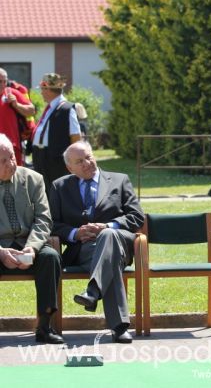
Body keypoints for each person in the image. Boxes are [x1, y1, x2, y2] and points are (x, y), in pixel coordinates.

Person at [49, 141, 144, 343]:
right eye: (79, 161)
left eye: (89, 157)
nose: (87, 163)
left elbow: (137, 217)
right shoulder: (60, 187)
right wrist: (75, 233)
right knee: (110, 261)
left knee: (108, 237)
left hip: (120, 243)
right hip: (83, 250)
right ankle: (118, 327)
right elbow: (52, 224)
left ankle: (93, 291)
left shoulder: (120, 180)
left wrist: (108, 226)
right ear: (70, 167)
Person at [0, 134, 63, 344]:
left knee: (51, 256)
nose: (10, 163)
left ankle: (45, 326)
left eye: (10, 156)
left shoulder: (33, 179)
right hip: (1, 246)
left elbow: (44, 219)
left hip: (29, 242)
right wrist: (1, 252)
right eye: (2, 161)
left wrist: (32, 248)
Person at [31, 73, 81, 196]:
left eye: (42, 89)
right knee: (43, 193)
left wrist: (74, 160)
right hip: (41, 157)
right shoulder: (50, 108)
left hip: (56, 161)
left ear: (48, 90)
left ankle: (58, 215)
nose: (41, 93)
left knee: (57, 194)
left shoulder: (67, 109)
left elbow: (75, 137)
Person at [0, 68, 36, 165]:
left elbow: (31, 111)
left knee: (14, 176)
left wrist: (16, 105)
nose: (3, 84)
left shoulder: (11, 93)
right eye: (0, 81)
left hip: (12, 146)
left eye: (5, 81)